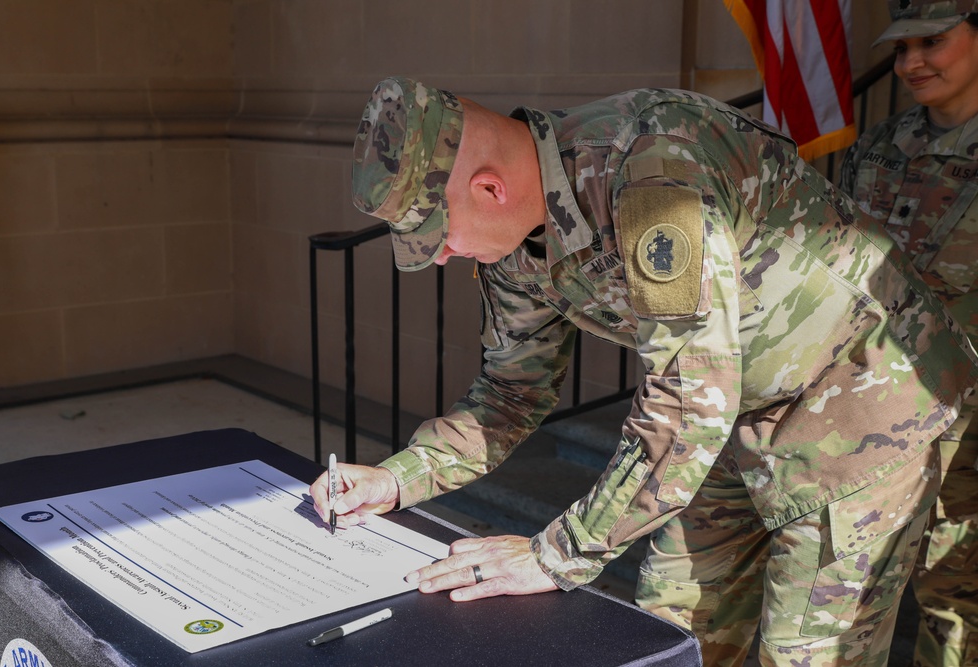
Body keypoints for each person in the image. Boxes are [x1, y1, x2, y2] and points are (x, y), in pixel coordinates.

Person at [311, 76, 978, 666]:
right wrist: (398, 477)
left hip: (862, 401)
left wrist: (556, 552)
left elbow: (688, 407)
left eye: (439, 234)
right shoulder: (513, 244)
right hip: (736, 409)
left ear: (491, 187)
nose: (439, 257)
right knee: (668, 629)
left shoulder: (653, 170)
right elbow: (511, 392)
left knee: (805, 652)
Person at [838, 2, 978, 665]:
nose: (911, 62)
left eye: (933, 42)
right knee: (854, 588)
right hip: (877, 407)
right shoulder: (876, 147)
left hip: (970, 421)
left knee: (957, 595)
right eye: (901, 49)